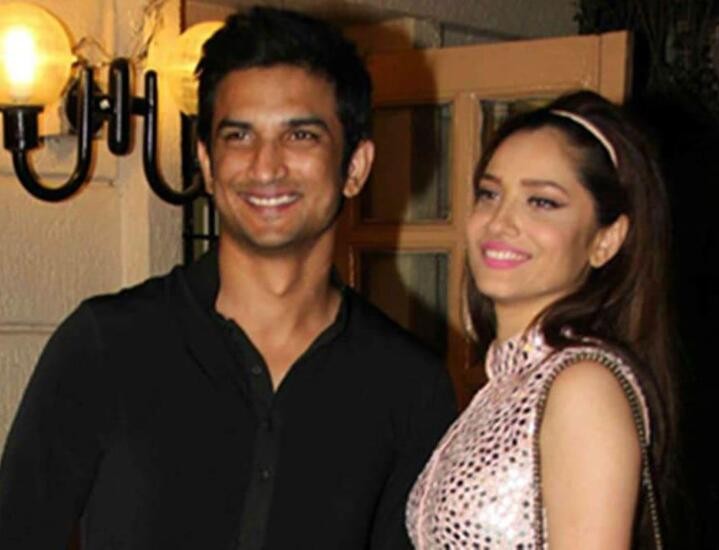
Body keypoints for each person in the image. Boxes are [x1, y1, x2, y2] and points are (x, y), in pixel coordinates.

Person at [0, 7, 456, 549]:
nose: (265, 167)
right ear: (207, 164)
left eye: (300, 136)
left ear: (355, 167)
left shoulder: (409, 386)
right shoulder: (106, 345)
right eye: (239, 136)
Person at [406, 91, 675, 549]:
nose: (500, 222)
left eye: (542, 202)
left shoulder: (582, 386)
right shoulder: (508, 383)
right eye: (490, 194)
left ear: (607, 240)